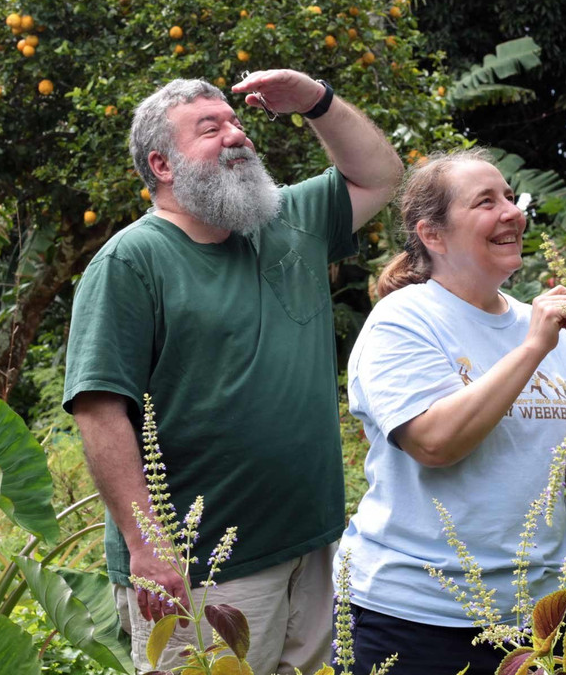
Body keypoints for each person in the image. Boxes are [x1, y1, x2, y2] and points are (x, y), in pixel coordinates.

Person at [63, 69, 403, 674]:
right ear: (163, 166)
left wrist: (315, 102)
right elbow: (98, 410)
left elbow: (381, 176)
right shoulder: (130, 261)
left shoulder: (289, 221)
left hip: (312, 548)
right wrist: (147, 543)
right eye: (210, 128)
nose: (236, 135)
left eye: (236, 122)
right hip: (203, 572)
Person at [335, 149, 566, 675]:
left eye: (509, 196)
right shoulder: (403, 321)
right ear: (432, 235)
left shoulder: (547, 328)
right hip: (417, 616)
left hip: (545, 615)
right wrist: (531, 350)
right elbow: (434, 443)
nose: (511, 211)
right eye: (486, 202)